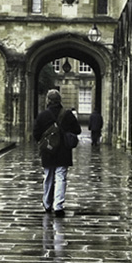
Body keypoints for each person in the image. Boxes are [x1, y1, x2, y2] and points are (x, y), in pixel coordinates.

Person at [33, 89, 81, 217]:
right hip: (63, 151)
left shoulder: (43, 115)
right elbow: (78, 130)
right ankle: (58, 206)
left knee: (48, 176)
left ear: (48, 101)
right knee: (61, 177)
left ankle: (47, 204)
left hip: (48, 150)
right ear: (60, 101)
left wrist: (46, 140)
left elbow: (36, 134)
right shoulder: (68, 114)